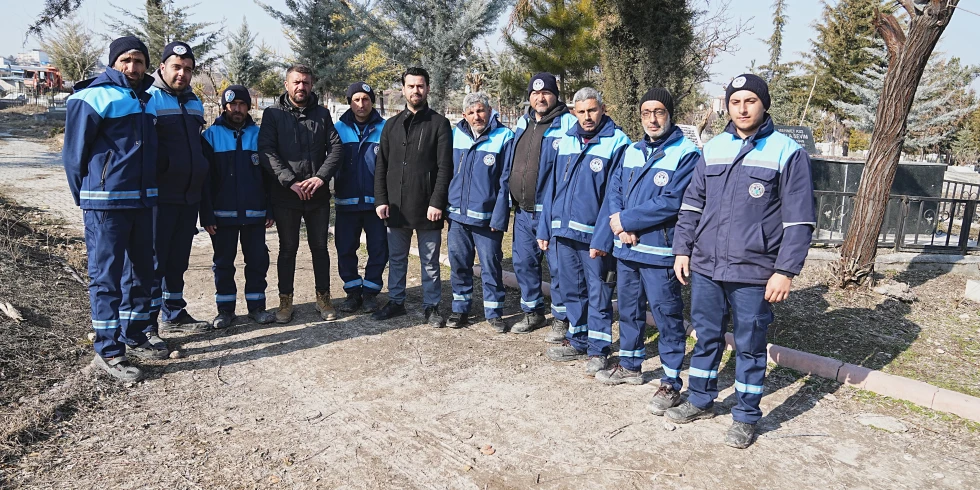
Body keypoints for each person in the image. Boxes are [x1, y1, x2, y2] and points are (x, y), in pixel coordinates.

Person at [665, 74, 816, 449]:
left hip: (754, 271)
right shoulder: (713, 147)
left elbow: (799, 220)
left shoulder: (786, 152)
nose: (743, 108)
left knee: (749, 345)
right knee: (706, 337)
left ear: (763, 104)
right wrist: (682, 249)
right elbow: (691, 205)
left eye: (750, 101)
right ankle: (700, 399)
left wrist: (785, 270)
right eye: (736, 102)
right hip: (706, 267)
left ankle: (746, 416)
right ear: (727, 106)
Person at [591, 89, 700, 401]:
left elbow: (673, 202)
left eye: (659, 112)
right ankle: (630, 364)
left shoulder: (686, 154)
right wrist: (618, 224)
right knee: (628, 309)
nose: (652, 119)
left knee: (667, 316)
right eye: (646, 112)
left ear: (670, 113)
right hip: (628, 249)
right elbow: (615, 190)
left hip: (659, 252)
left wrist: (627, 221)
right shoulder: (632, 151)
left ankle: (670, 380)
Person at [64, 36, 162, 381]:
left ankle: (133, 335)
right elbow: (74, 155)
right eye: (126, 61)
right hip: (105, 205)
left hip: (142, 200)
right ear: (113, 63)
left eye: (139, 61)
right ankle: (108, 350)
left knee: (140, 273)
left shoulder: (146, 100)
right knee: (106, 278)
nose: (134, 68)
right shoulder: (91, 96)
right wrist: (87, 197)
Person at [539, 87, 630, 376]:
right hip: (563, 231)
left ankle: (598, 349)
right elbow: (551, 186)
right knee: (571, 289)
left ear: (602, 109)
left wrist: (604, 237)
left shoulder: (617, 142)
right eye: (581, 112)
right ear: (574, 113)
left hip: (594, 236)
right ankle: (577, 339)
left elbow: (615, 198)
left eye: (592, 110)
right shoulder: (565, 140)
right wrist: (545, 225)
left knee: (598, 292)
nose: (587, 116)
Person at [258, 64, 344, 323]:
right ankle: (285, 301)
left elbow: (337, 148)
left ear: (311, 85)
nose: (301, 87)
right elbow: (266, 151)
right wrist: (289, 181)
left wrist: (321, 178)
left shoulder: (322, 114)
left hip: (317, 197)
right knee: (288, 249)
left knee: (320, 248)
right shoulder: (272, 115)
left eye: (305, 82)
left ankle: (324, 298)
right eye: (296, 82)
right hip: (286, 196)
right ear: (286, 85)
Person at [372, 67, 453, 326]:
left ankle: (432, 306)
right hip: (396, 206)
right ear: (403, 89)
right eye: (411, 86)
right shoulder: (391, 125)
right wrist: (381, 199)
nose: (415, 90)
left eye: (420, 86)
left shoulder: (439, 124)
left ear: (427, 88)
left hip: (428, 207)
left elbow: (444, 167)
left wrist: (437, 201)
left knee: (430, 261)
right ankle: (396, 301)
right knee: (396, 258)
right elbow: (381, 166)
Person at [146, 41, 211, 334]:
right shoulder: (150, 99)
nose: (182, 74)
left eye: (187, 69)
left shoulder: (194, 101)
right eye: (176, 67)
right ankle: (145, 325)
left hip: (188, 196)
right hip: (160, 197)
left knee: (178, 260)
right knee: (154, 261)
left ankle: (173, 313)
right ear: (162, 68)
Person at [200, 85, 277, 328]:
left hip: (255, 214)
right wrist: (207, 213)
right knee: (223, 263)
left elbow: (270, 177)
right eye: (232, 105)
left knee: (257, 261)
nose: (237, 109)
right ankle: (225, 310)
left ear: (249, 107)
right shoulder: (211, 136)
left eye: (242, 105)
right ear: (225, 107)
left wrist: (270, 209)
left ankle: (257, 307)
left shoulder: (260, 135)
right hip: (222, 216)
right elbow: (205, 180)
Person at [508, 73, 577, 340]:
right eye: (535, 94)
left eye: (546, 92)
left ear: (555, 95)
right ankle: (533, 311)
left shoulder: (568, 124)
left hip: (553, 211)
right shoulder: (522, 123)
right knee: (524, 262)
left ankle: (561, 317)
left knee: (558, 267)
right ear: (529, 97)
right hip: (524, 211)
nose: (540, 97)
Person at [446, 92, 513, 332]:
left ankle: (494, 312)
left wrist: (499, 216)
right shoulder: (454, 136)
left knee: (491, 265)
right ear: (464, 115)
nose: (477, 116)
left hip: (487, 220)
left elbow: (506, 181)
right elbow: (446, 174)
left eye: (481, 111)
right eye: (472, 112)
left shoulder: (504, 137)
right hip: (457, 216)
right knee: (459, 264)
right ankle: (460, 309)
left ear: (489, 110)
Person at [333, 82, 388, 314]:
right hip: (346, 202)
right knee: (345, 248)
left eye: (365, 99)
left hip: (376, 204)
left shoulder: (385, 128)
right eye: (356, 99)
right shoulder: (337, 128)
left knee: (378, 249)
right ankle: (353, 292)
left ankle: (371, 294)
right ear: (349, 102)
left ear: (372, 101)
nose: (361, 104)